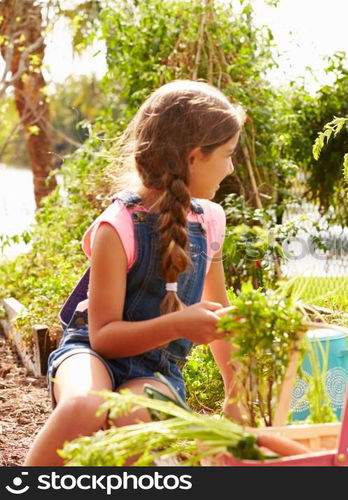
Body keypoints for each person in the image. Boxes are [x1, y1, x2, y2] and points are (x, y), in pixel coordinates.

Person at [25, 80, 246, 465]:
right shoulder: (118, 226)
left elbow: (218, 311)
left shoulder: (211, 221)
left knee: (137, 416)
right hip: (89, 353)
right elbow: (105, 337)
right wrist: (178, 325)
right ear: (194, 157)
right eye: (227, 154)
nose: (230, 167)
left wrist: (236, 393)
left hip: (157, 370)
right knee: (86, 407)